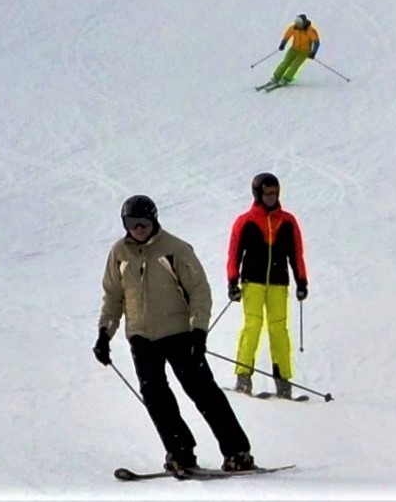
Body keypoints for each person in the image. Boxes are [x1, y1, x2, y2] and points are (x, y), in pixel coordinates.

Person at [95, 195, 254, 475]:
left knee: (203, 393)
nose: (138, 228)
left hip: (180, 335)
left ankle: (237, 452)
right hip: (141, 338)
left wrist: (199, 331)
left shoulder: (175, 249)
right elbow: (113, 297)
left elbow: (199, 292)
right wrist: (104, 335)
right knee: (156, 398)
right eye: (131, 223)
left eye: (143, 221)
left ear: (154, 219)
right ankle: (180, 452)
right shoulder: (119, 253)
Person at [225, 172, 309, 398]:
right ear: (258, 193)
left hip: (279, 284)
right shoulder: (246, 221)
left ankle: (283, 384)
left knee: (278, 330)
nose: (271, 197)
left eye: (275, 193)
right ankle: (243, 379)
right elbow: (234, 253)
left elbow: (296, 253)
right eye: (267, 193)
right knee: (253, 326)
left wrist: (301, 280)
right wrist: (232, 281)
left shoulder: (288, 221)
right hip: (252, 283)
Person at [267, 15, 319, 87]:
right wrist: (283, 44)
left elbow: (316, 42)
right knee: (285, 62)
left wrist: (313, 53)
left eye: (299, 23)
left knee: (294, 65)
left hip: (304, 51)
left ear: (304, 23)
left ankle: (287, 78)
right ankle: (276, 77)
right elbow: (287, 36)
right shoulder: (293, 28)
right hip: (294, 49)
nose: (297, 24)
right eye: (297, 22)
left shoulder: (310, 30)